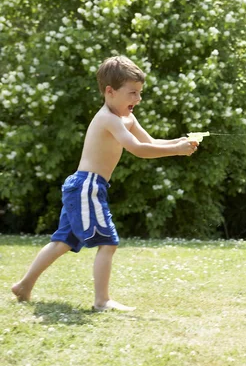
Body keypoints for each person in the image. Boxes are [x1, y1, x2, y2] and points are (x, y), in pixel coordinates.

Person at [11, 56, 199, 311]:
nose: (138, 99)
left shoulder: (126, 118)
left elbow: (151, 141)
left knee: (62, 241)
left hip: (85, 186)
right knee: (108, 242)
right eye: (132, 93)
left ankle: (24, 286)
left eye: (140, 93)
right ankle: (102, 301)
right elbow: (138, 149)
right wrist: (176, 150)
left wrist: (179, 141)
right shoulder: (108, 118)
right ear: (110, 92)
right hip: (87, 186)